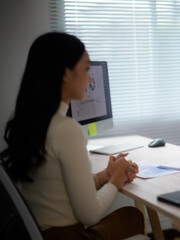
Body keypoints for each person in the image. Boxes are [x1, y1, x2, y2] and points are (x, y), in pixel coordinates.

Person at [0, 32, 144, 239]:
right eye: (86, 68)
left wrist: (106, 175)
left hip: (37, 232)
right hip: (65, 235)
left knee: (131, 217)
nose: (90, 76)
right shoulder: (66, 129)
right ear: (66, 73)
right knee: (133, 216)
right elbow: (90, 214)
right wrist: (117, 179)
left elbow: (57, 189)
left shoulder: (28, 123)